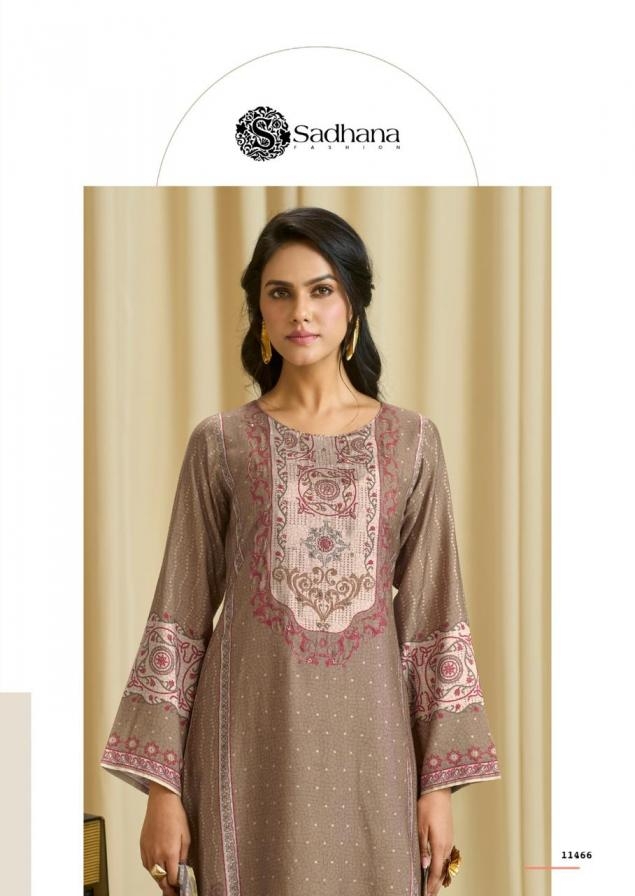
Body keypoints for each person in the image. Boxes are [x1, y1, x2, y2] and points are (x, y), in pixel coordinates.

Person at [101, 206, 501, 896]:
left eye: (321, 290)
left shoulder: (411, 443)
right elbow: (179, 616)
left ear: (353, 304)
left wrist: (437, 789)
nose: (300, 312)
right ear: (259, 310)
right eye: (279, 293)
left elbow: (436, 620)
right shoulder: (221, 443)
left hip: (372, 759)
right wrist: (162, 791)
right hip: (245, 747)